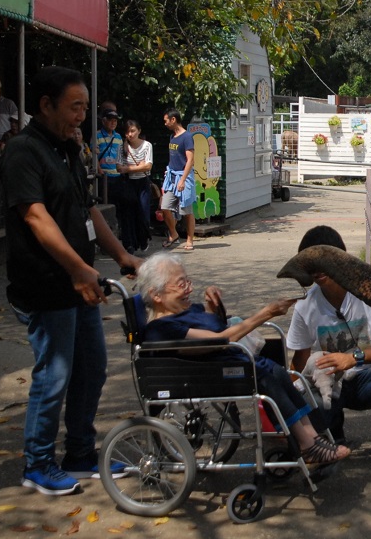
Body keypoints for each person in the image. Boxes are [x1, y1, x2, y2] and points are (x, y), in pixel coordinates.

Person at [0, 66, 142, 496]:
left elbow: (88, 211)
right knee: (54, 374)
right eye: (75, 106)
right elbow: (35, 216)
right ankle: (38, 463)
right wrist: (77, 269)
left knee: (92, 368)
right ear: (46, 105)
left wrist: (120, 255)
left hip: (81, 283)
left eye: (85, 107)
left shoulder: (68, 150)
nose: (83, 115)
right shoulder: (23, 151)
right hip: (46, 283)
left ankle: (80, 453)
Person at [136, 253, 349, 468]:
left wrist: (212, 303)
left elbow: (214, 323)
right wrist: (266, 313)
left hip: (234, 363)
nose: (189, 289)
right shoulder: (162, 328)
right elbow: (219, 340)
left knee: (277, 372)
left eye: (188, 281)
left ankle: (311, 438)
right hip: (215, 372)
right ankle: (306, 443)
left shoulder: (185, 310)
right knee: (266, 378)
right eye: (181, 284)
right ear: (156, 295)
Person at [287, 226, 371, 465]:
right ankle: (333, 436)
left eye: (325, 262)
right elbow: (300, 360)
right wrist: (288, 403)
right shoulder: (305, 306)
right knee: (311, 395)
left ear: (342, 258)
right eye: (311, 265)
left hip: (366, 381)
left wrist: (352, 358)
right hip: (328, 385)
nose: (318, 272)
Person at [160, 108, 195, 250]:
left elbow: (190, 160)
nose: (165, 124)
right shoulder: (172, 137)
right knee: (164, 207)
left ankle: (190, 239)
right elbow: (173, 157)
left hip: (183, 177)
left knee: (186, 211)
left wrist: (182, 180)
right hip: (172, 176)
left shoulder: (186, 137)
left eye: (166, 121)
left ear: (173, 119)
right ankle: (173, 234)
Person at [117, 119, 152, 253]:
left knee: (143, 213)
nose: (130, 134)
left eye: (133, 131)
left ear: (139, 131)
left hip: (143, 182)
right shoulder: (122, 147)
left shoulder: (147, 145)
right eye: (127, 132)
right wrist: (137, 167)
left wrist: (128, 168)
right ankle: (129, 244)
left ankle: (143, 239)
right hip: (128, 183)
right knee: (128, 214)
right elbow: (119, 167)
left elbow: (148, 166)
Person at [95, 102, 124, 206]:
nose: (113, 123)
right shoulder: (96, 135)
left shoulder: (118, 137)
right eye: (110, 120)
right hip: (103, 176)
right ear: (104, 121)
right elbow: (93, 155)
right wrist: (99, 170)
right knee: (104, 202)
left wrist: (121, 170)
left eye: (115, 121)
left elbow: (120, 156)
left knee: (117, 203)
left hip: (116, 176)